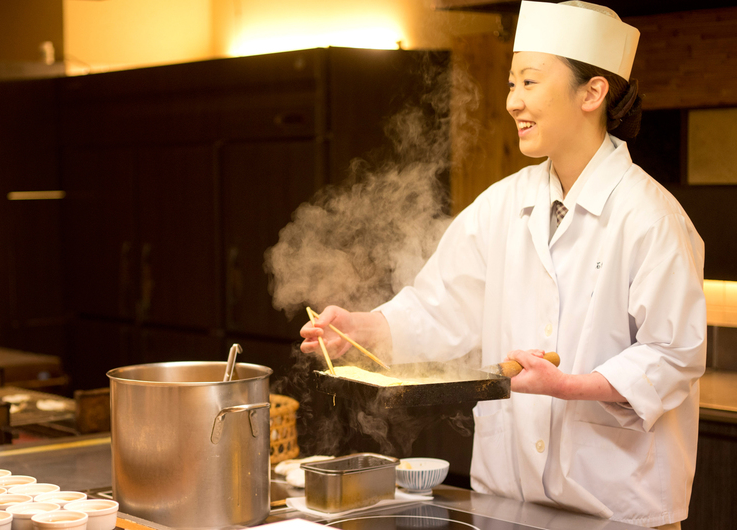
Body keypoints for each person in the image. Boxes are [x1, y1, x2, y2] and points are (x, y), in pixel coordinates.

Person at [300, 2, 706, 529]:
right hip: (508, 508)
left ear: (592, 92)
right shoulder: (501, 204)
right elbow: (440, 307)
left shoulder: (651, 217)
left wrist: (571, 386)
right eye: (511, 84)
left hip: (616, 513)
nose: (513, 102)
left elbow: (673, 355)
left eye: (530, 82)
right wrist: (365, 329)